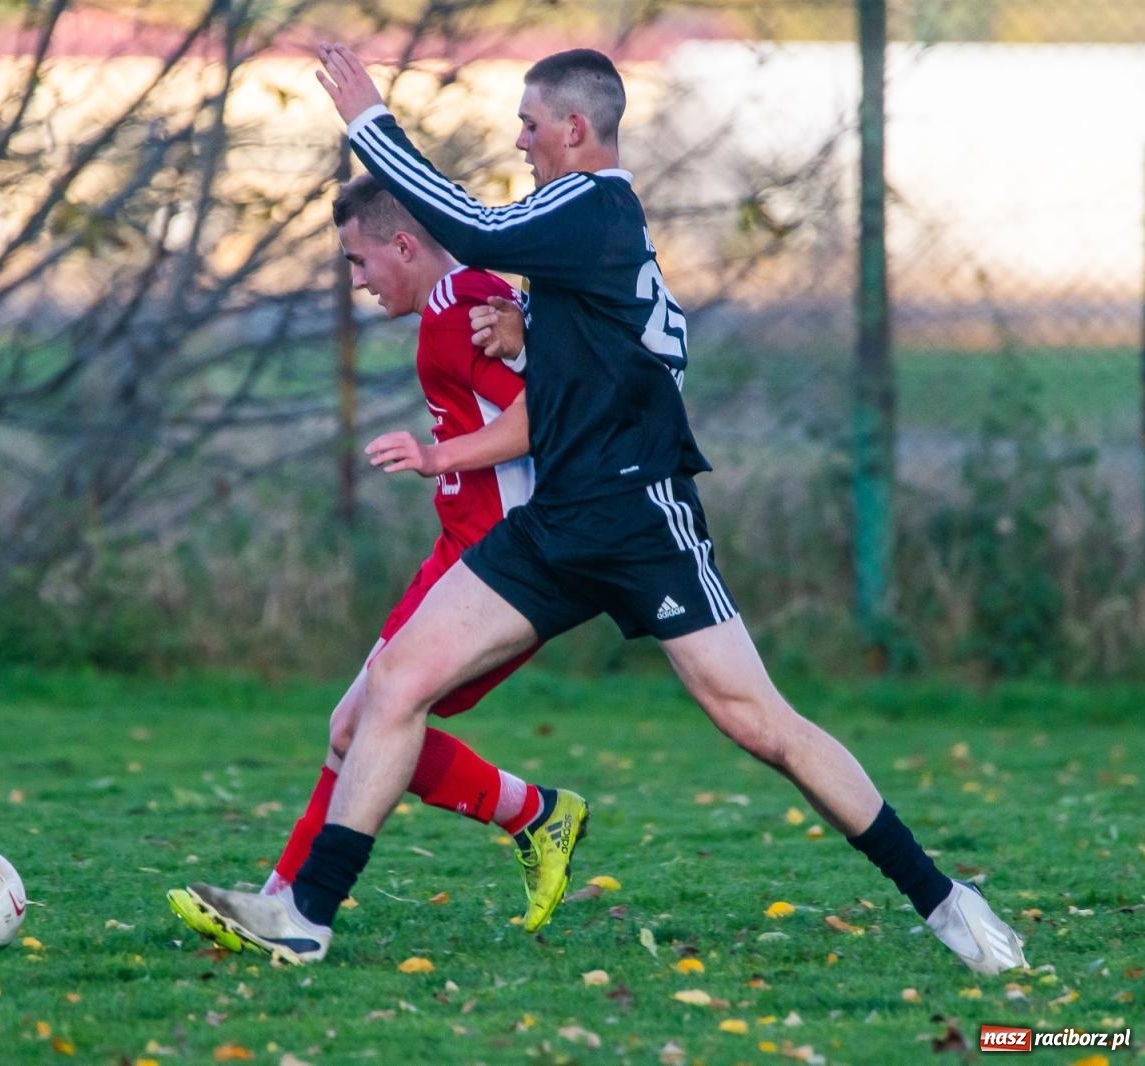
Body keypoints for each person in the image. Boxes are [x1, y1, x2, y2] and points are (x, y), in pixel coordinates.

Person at [177, 44, 1028, 976]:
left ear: (575, 130)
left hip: (638, 518)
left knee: (760, 725)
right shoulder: (594, 229)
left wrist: (371, 123)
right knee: (394, 685)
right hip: (558, 522)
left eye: (531, 125)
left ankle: (944, 901)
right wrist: (531, 332)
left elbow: (474, 226)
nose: (521, 139)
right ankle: (305, 916)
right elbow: (616, 346)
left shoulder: (591, 201)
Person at [168, 174, 590, 955]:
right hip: (456, 551)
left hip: (503, 565)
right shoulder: (452, 303)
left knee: (367, 724)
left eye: (359, 262)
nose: (356, 282)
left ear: (404, 244)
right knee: (353, 726)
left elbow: (548, 414)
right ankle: (526, 816)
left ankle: (292, 906)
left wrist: (439, 455)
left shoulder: (464, 306)